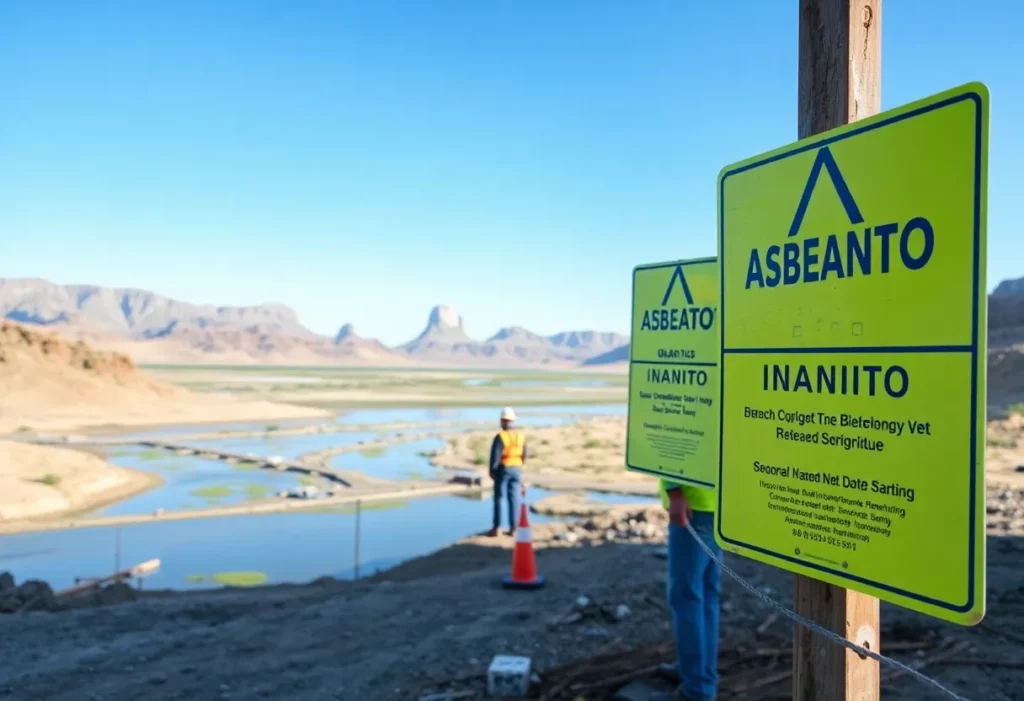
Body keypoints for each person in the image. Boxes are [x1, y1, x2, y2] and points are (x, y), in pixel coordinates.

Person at [650, 477, 721, 701]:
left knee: (687, 598)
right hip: (719, 503)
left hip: (693, 503)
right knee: (706, 595)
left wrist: (675, 492)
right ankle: (698, 673)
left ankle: (696, 689)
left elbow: (677, 452)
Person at [486, 406, 527, 537]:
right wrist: (519, 466)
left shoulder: (501, 437)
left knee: (498, 498)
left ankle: (497, 528)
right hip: (517, 469)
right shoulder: (520, 436)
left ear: (503, 421)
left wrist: (492, 472)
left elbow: (495, 457)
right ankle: (513, 528)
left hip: (503, 469)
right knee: (514, 498)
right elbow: (524, 454)